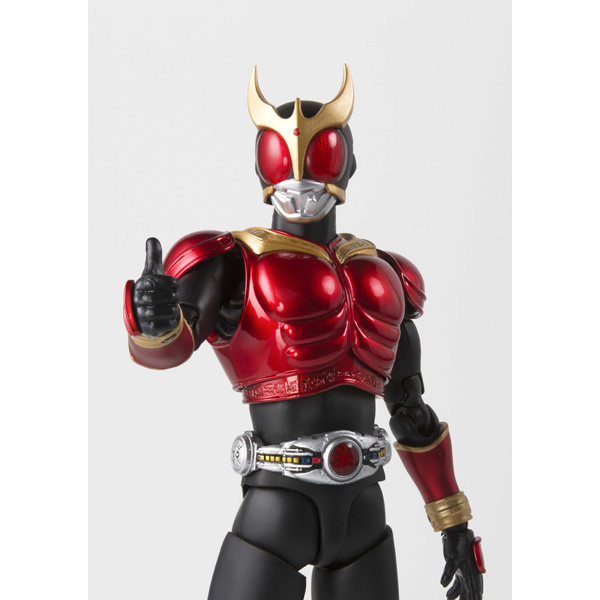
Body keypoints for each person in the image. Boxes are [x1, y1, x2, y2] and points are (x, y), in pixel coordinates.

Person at [123, 65, 485, 600]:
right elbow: (170, 347)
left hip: (364, 511)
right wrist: (152, 321)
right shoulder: (232, 262)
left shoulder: (383, 274)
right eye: (283, 155)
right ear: (262, 164)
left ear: (348, 163)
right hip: (277, 511)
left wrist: (454, 524)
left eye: (320, 155)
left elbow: (410, 411)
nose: (300, 174)